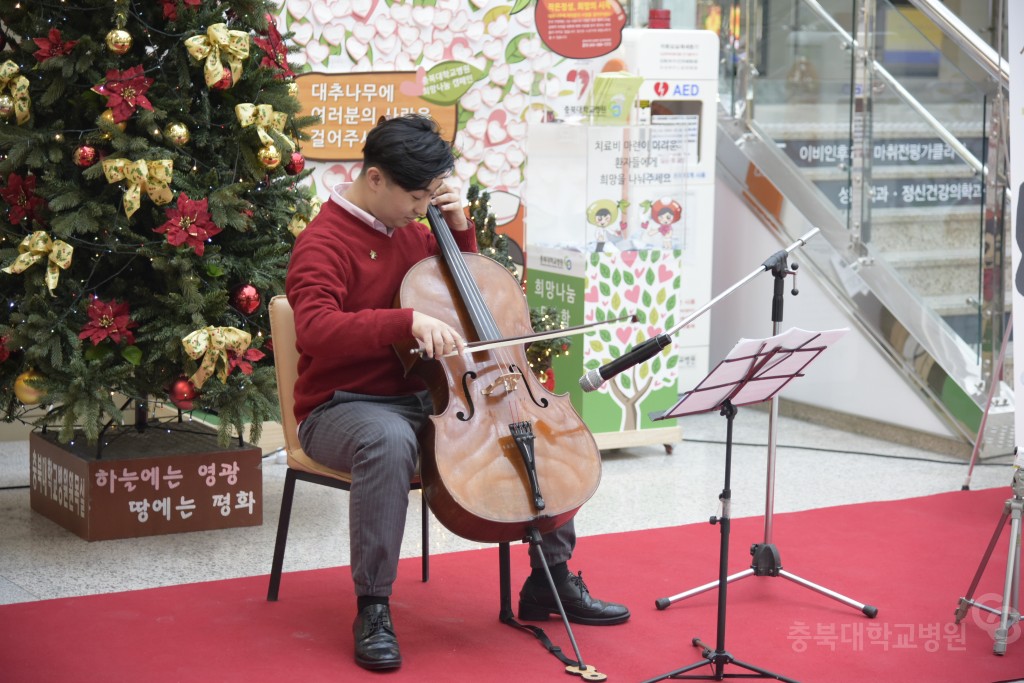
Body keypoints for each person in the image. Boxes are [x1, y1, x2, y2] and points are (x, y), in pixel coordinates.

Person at [285, 114, 629, 672]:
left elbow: (465, 291)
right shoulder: (322, 243)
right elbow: (315, 330)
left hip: (435, 397)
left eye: (431, 197)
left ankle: (550, 582)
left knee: (537, 429)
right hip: (345, 407)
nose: (423, 209)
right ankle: (373, 605)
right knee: (389, 441)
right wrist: (403, 321)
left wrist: (458, 223)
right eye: (417, 196)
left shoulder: (412, 228)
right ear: (375, 179)